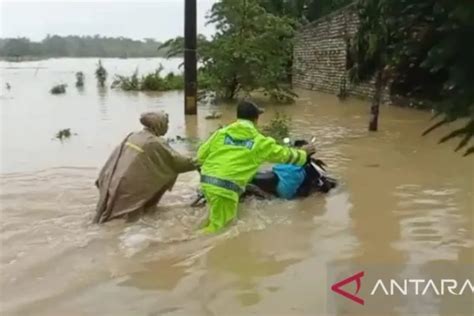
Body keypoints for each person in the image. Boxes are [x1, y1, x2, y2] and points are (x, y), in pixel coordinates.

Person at [197, 100, 316, 233]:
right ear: (256, 119)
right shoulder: (259, 141)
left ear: (238, 117)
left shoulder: (221, 134)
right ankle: (189, 246)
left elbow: (200, 155)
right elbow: (284, 155)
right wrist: (303, 153)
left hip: (207, 182)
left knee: (214, 219)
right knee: (220, 230)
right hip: (226, 187)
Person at [94, 111, 197, 223]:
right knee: (124, 220)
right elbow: (177, 163)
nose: (168, 127)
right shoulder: (154, 142)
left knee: (109, 214)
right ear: (159, 124)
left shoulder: (133, 135)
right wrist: (200, 160)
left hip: (112, 178)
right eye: (166, 123)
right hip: (127, 184)